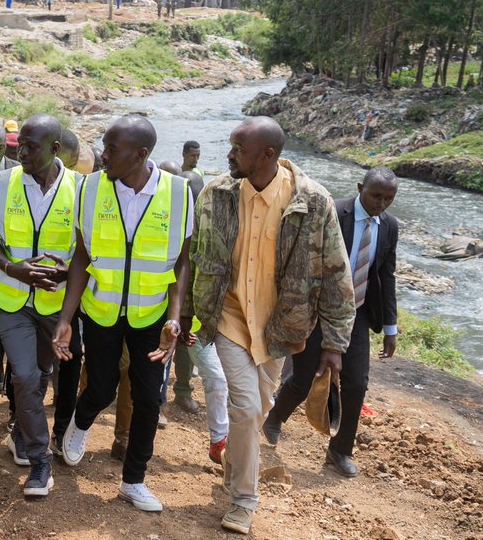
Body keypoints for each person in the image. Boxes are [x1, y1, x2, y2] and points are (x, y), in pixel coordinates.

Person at [188, 116, 355, 534]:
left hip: (280, 329)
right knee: (244, 407)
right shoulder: (215, 194)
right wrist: (179, 315)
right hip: (228, 317)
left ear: (268, 155)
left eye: (238, 150)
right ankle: (244, 500)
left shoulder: (314, 202)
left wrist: (334, 342)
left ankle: (234, 461)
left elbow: (336, 273)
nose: (229, 155)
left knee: (258, 409)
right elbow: (192, 256)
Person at [51, 115, 193, 513]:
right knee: (101, 386)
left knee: (149, 399)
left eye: (113, 149)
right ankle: (80, 425)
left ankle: (134, 481)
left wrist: (175, 318)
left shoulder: (180, 194)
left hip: (152, 318)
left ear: (141, 154)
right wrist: (66, 316)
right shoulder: (91, 188)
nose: (104, 155)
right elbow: (81, 254)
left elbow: (181, 262)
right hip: (101, 311)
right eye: (105, 146)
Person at [264, 167, 399, 477]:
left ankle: (339, 452)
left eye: (389, 198)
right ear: (360, 188)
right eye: (376, 195)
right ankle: (274, 417)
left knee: (356, 384)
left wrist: (390, 326)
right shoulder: (335, 212)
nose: (381, 203)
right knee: (305, 375)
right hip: (318, 307)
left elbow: (385, 275)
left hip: (358, 313)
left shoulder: (389, 226)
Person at [0, 115, 80, 497]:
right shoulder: (2, 183)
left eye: (30, 146)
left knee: (41, 375)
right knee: (23, 376)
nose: (20, 152)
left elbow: (85, 255)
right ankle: (41, 462)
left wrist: (66, 275)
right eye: (18, 144)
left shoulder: (80, 188)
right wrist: (13, 268)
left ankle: (20, 432)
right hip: (12, 300)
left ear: (55, 149)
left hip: (57, 304)